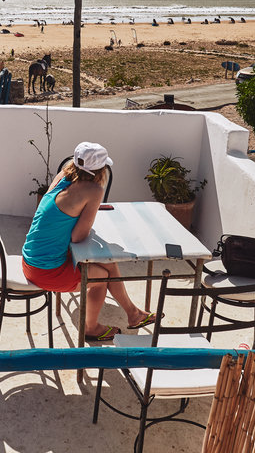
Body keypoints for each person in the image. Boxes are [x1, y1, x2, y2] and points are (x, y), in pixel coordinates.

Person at [22, 142, 157, 341]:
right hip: (46, 271)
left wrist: (83, 213)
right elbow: (78, 237)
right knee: (101, 277)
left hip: (30, 260)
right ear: (101, 170)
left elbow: (61, 213)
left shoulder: (63, 177)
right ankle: (91, 328)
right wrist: (90, 213)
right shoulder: (93, 191)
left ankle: (133, 314)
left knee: (109, 264)